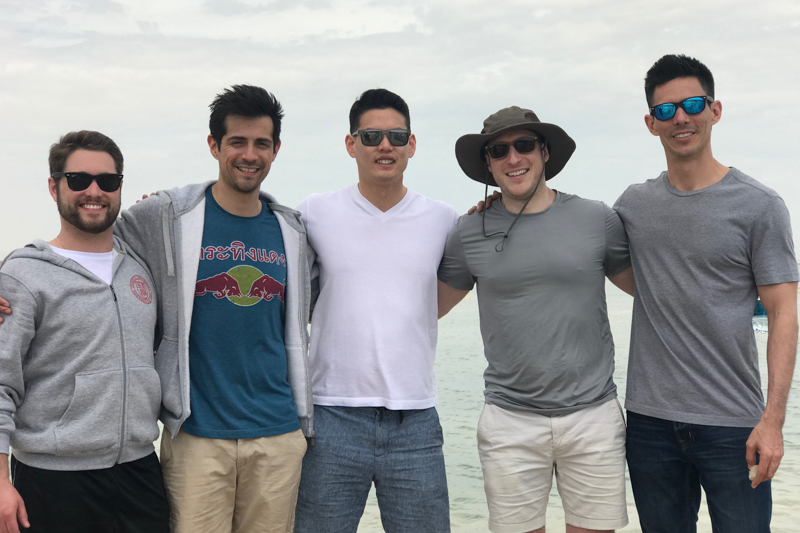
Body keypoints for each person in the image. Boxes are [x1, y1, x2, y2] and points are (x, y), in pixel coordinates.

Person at [112, 85, 313, 533]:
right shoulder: (165, 216)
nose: (249, 154)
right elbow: (92, 244)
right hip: (197, 434)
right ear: (214, 146)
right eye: (237, 142)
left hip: (278, 433)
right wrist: (24, 283)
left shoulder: (293, 231)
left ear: (276, 150)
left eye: (261, 143)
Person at [614, 54, 799, 532]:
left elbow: (783, 311)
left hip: (735, 423)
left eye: (693, 103)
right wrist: (497, 209)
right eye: (666, 110)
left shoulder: (760, 205)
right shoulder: (634, 206)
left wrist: (773, 421)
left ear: (715, 111)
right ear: (651, 123)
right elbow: (582, 247)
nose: (681, 117)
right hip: (650, 423)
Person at [437, 107, 634, 533]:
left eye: (524, 145)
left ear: (544, 152)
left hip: (593, 415)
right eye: (499, 150)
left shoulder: (596, 218)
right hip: (510, 420)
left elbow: (651, 292)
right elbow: (428, 309)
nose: (513, 158)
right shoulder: (468, 231)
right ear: (487, 163)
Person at [293, 89, 458, 533]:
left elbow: (461, 278)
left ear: (412, 144)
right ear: (351, 145)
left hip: (415, 420)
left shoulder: (444, 219)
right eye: (371, 136)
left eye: (396, 135)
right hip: (331, 416)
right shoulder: (314, 212)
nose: (384, 145)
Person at [0, 131, 169, 533]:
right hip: (52, 480)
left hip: (140, 471)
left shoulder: (140, 269)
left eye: (107, 181)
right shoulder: (21, 275)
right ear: (53, 185)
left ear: (120, 188)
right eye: (78, 180)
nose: (94, 191)